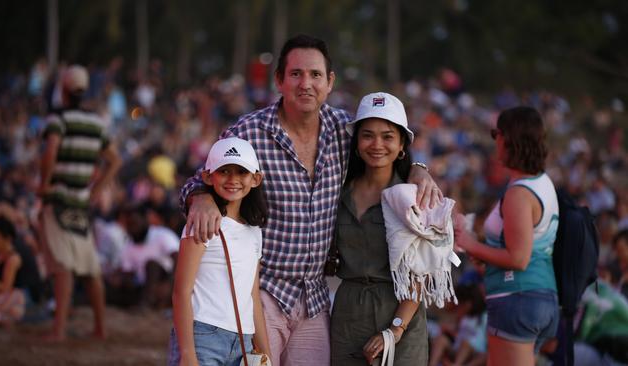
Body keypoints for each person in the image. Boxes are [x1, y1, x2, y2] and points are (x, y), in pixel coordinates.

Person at [179, 34, 441, 366]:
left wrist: (419, 169)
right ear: (279, 80)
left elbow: (387, 148)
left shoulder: (345, 131)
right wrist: (200, 197)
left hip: (315, 298)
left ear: (329, 82)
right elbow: (200, 178)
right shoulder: (248, 132)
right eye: (296, 74)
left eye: (315, 75)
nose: (306, 83)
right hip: (263, 292)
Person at [454, 106, 560, 365]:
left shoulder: (519, 194)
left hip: (517, 298)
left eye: (495, 134)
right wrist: (484, 253)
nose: (494, 141)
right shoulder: (540, 182)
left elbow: (518, 257)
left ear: (508, 139)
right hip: (538, 297)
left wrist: (470, 244)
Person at [330, 92, 428, 365]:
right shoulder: (338, 190)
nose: (377, 144)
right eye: (368, 135)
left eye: (387, 136)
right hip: (348, 311)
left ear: (402, 146)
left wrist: (395, 329)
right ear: (357, 142)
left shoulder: (414, 195)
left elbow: (420, 275)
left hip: (399, 311)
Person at [37, 64, 121, 341]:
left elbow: (50, 152)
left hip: (59, 198)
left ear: (63, 88)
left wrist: (45, 183)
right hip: (81, 202)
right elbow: (114, 160)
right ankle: (100, 328)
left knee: (63, 266)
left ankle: (58, 329)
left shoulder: (57, 119)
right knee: (89, 266)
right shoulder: (96, 123)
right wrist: (96, 190)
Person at [169, 137, 271, 366]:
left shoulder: (254, 231)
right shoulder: (202, 222)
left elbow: (253, 296)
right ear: (207, 176)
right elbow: (181, 292)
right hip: (202, 335)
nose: (233, 180)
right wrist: (187, 354)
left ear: (256, 179)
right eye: (224, 171)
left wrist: (266, 352)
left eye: (241, 172)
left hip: (243, 341)